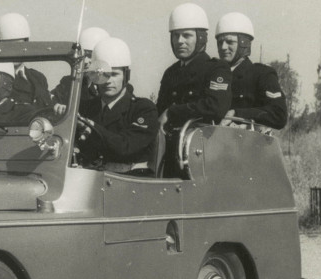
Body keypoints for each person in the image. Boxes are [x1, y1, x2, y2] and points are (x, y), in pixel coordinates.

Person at [156, 3, 231, 177]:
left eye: (186, 35)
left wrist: (173, 112)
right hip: (167, 152)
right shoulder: (170, 73)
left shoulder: (216, 69)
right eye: (175, 36)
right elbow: (159, 110)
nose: (179, 41)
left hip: (199, 152)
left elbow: (215, 106)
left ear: (200, 38)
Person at [75, 37, 160, 177]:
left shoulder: (143, 109)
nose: (108, 81)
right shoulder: (85, 108)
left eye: (114, 74)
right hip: (90, 179)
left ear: (126, 75)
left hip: (131, 180)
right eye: (102, 74)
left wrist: (92, 127)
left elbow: (125, 146)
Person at [216, 12, 288, 129]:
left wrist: (238, 114)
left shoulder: (261, 74)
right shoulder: (213, 74)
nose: (223, 47)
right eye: (220, 42)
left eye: (229, 42)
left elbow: (278, 115)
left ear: (244, 43)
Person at [0, 13, 53, 107]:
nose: (14, 51)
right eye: (8, 46)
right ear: (0, 47)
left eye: (18, 45)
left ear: (27, 45)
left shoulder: (38, 78)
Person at [51, 27, 110, 114]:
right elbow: (51, 100)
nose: (85, 61)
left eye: (90, 55)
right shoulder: (69, 82)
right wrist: (58, 106)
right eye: (82, 55)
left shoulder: (111, 87)